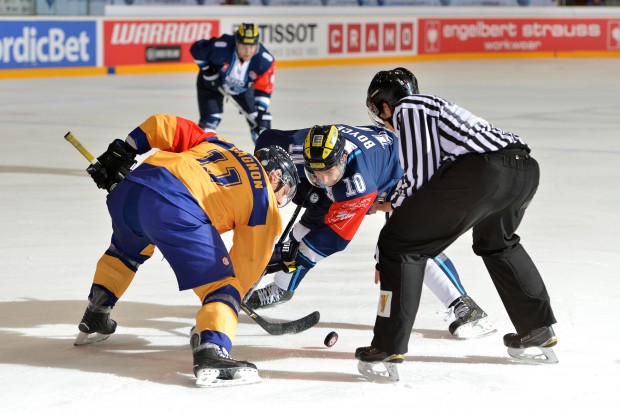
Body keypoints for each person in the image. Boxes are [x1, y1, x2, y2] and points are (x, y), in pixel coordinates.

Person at [354, 67, 557, 381]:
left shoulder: (409, 109)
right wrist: (394, 202)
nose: (382, 120)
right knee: (497, 243)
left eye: (378, 111)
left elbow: (420, 178)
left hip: (487, 171)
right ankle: (537, 330)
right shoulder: (435, 108)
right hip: (523, 168)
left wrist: (389, 236)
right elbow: (432, 176)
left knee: (400, 245)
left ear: (385, 105)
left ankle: (387, 347)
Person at [74, 113, 299, 388]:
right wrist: (230, 300)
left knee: (124, 253)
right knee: (223, 287)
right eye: (285, 190)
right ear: (276, 175)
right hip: (176, 207)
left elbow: (163, 125)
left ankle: (96, 311)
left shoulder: (222, 144)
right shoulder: (265, 200)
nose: (282, 198)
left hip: (131, 189)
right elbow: (249, 262)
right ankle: (212, 351)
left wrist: (127, 148)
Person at [248, 124, 496, 339]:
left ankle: (466, 307)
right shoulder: (295, 148)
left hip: (403, 178)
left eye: (328, 173)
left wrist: (290, 258)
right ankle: (282, 288)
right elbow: (266, 141)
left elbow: (332, 240)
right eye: (316, 173)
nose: (322, 179)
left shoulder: (358, 184)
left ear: (343, 159)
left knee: (406, 245)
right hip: (375, 158)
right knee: (305, 228)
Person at [189, 23, 275, 143]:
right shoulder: (222, 46)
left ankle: (265, 156)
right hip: (212, 85)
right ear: (236, 42)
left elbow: (264, 87)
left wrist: (261, 110)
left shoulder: (265, 60)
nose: (248, 51)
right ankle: (197, 154)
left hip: (243, 89)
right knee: (210, 120)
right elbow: (196, 49)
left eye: (251, 46)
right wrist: (208, 70)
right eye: (244, 46)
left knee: (260, 122)